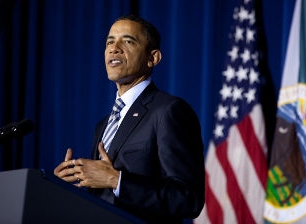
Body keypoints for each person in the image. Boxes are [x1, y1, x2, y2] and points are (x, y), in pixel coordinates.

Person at [54, 15, 205, 223]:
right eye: (109, 42)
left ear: (153, 58)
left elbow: (187, 198)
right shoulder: (102, 125)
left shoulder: (169, 111)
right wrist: (69, 187)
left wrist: (116, 180)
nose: (114, 48)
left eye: (127, 41)